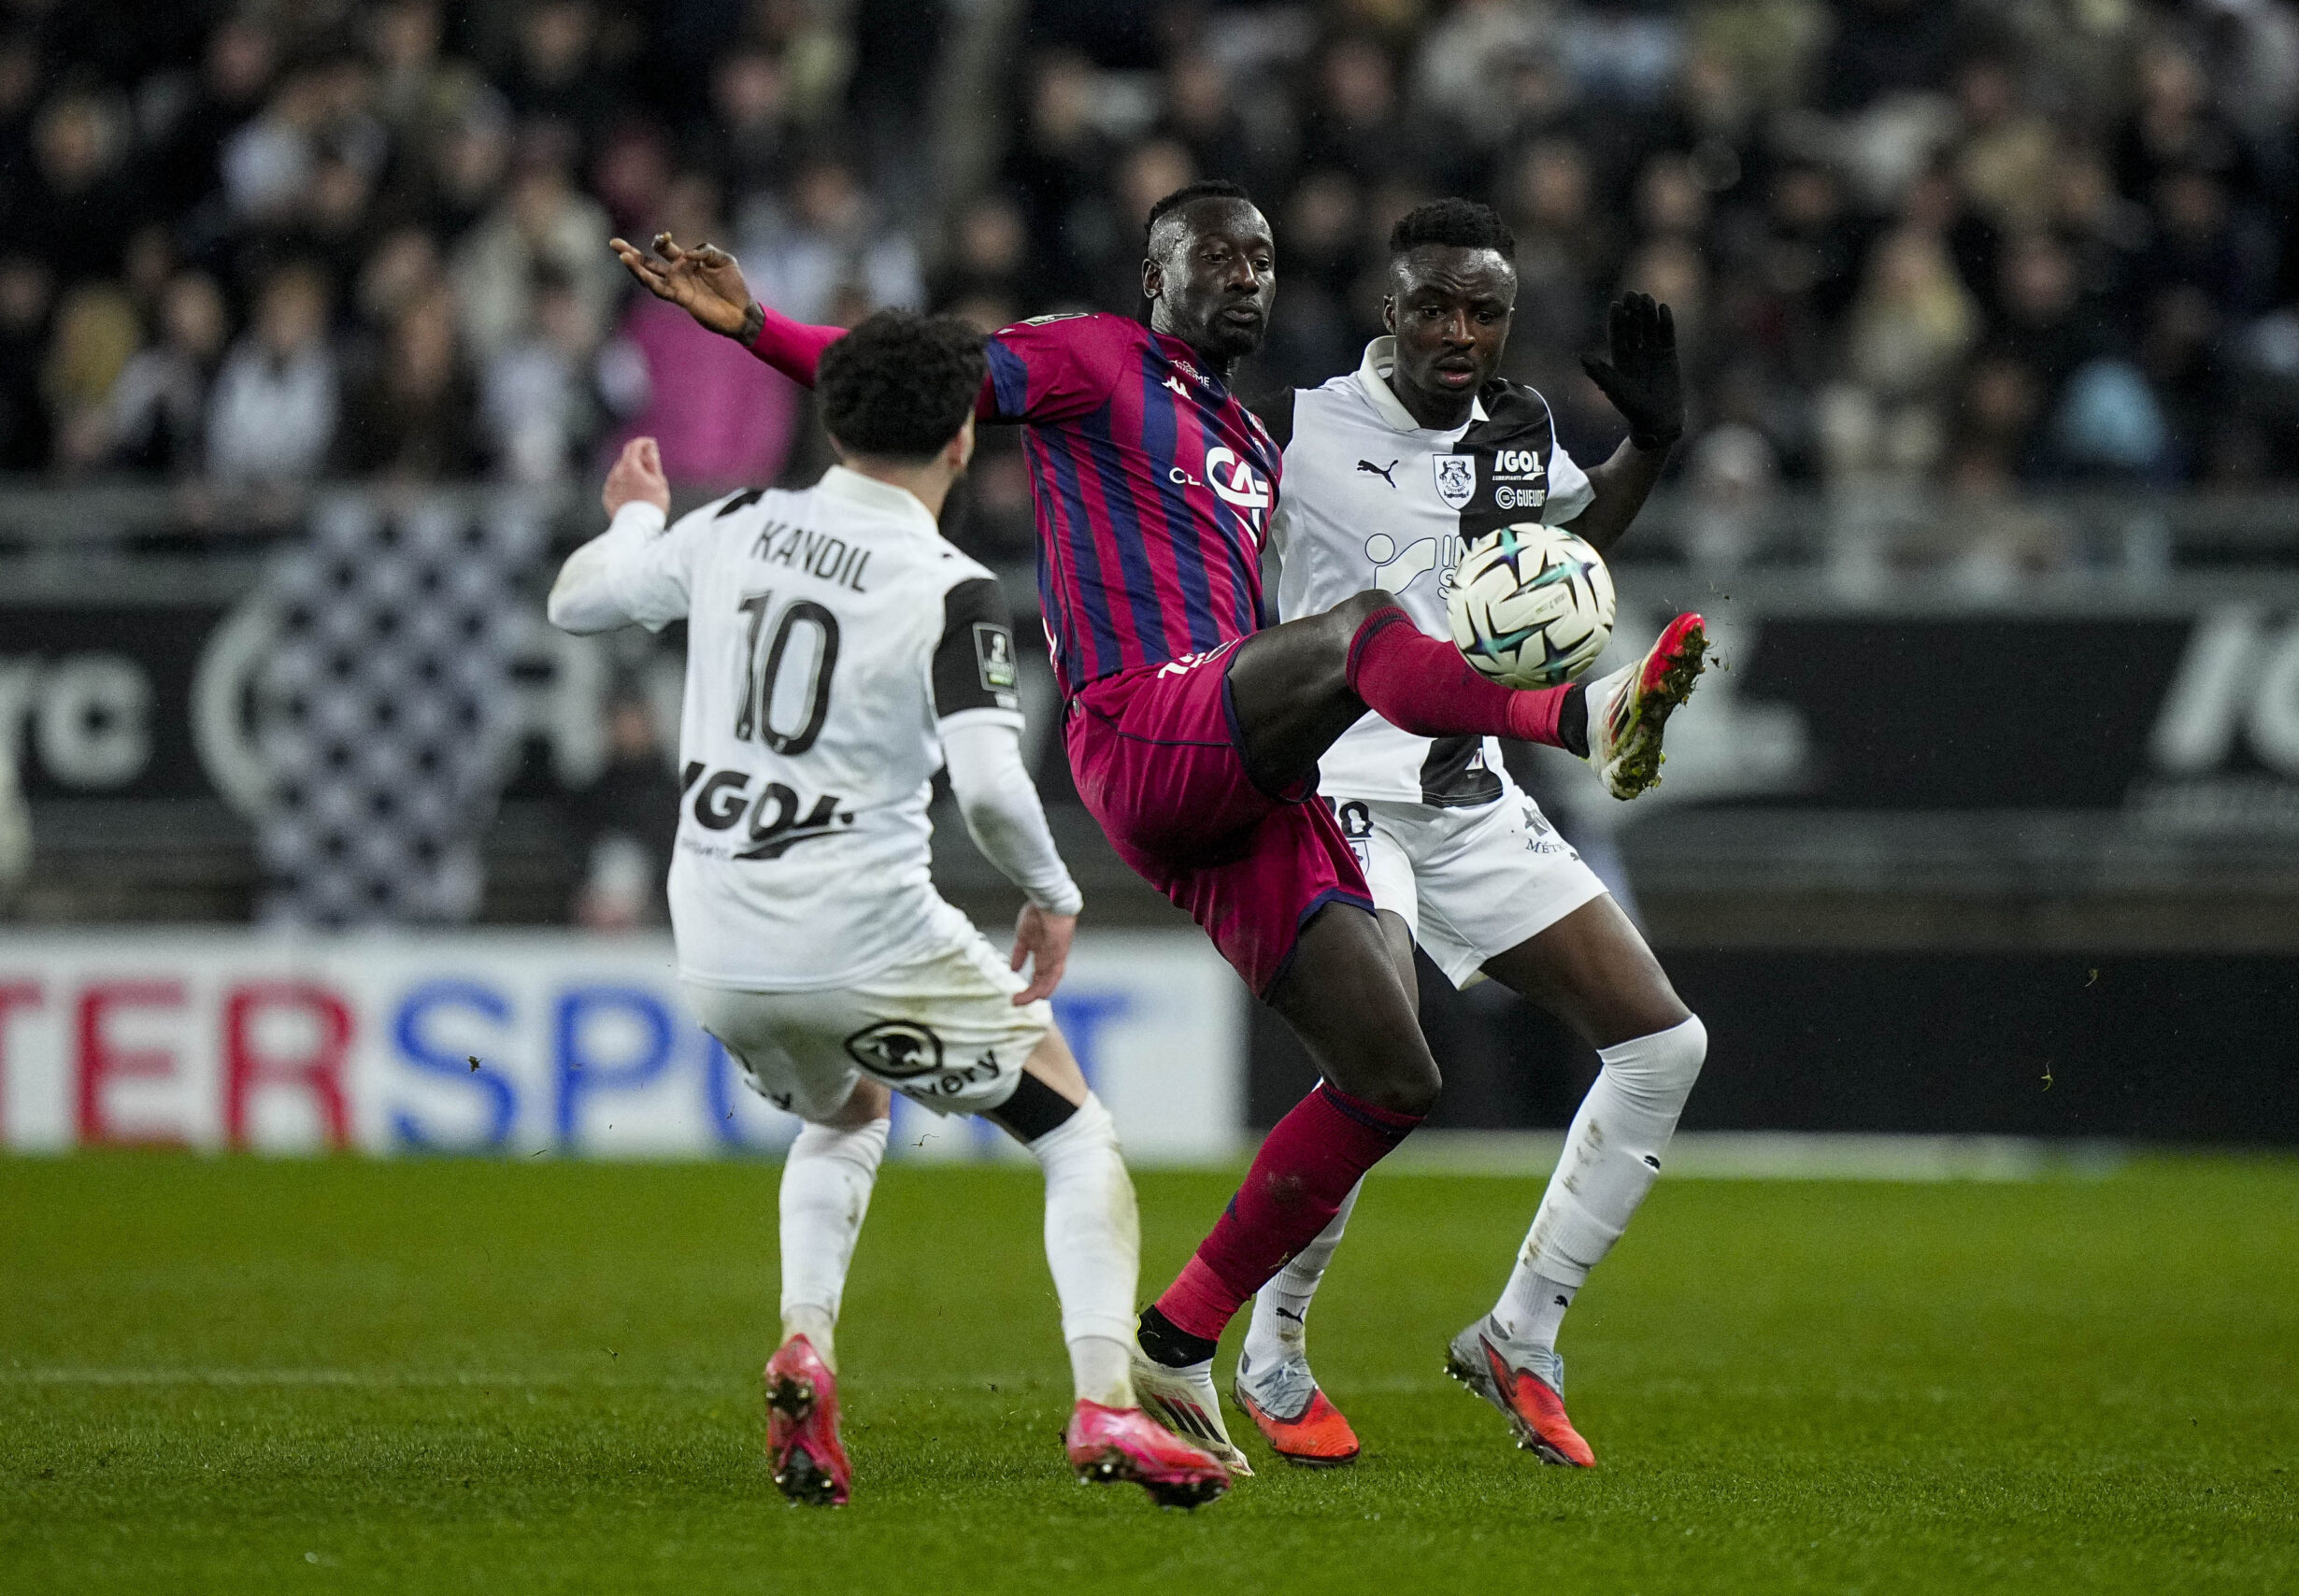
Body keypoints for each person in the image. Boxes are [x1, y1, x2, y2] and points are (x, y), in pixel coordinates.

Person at [608, 180, 1706, 1475]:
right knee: (1359, 631)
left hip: (1252, 774)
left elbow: (1533, 546)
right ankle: (1584, 720)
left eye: (1261, 259)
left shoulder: (1248, 438)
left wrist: (1638, 449)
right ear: (1154, 272)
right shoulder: (1096, 358)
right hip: (1149, 726)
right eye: (1216, 257)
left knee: (1394, 1075)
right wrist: (755, 329)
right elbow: (919, 382)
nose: (1245, 276)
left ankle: (1182, 1338)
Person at [546, 311, 1229, 1511]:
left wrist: (636, 516)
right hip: (863, 934)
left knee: (851, 1108)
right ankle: (1103, 1400)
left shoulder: (736, 525)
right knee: (1074, 1138)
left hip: (717, 944)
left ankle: (805, 1340)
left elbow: (579, 603)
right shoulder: (950, 587)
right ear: (965, 438)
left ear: (832, 422)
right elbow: (989, 783)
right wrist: (1053, 896)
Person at [1235, 199, 1708, 1469]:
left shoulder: (1518, 428)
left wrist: (1651, 450)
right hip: (1335, 791)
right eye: (1434, 306)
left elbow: (1558, 560)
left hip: (1463, 788)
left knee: (1664, 1045)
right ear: (1389, 310)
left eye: (1484, 312)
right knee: (1374, 1076)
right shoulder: (1300, 427)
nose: (1459, 331)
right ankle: (1272, 1351)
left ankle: (1521, 1335)